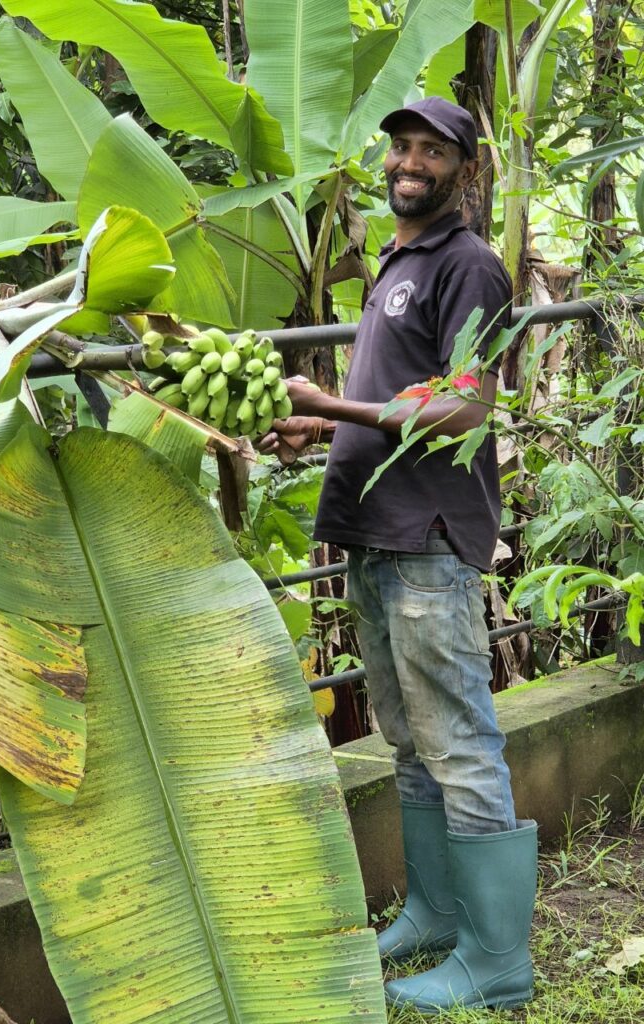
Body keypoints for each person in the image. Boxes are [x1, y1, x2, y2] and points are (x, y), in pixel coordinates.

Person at [259, 97, 537, 1013]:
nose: (410, 162)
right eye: (401, 147)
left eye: (433, 151)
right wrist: (316, 425)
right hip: (375, 536)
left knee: (458, 745)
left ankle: (497, 961)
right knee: (412, 745)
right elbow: (392, 394)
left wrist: (330, 404)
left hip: (429, 542)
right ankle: (434, 913)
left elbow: (464, 409)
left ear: (464, 169)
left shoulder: (469, 267)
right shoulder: (400, 259)